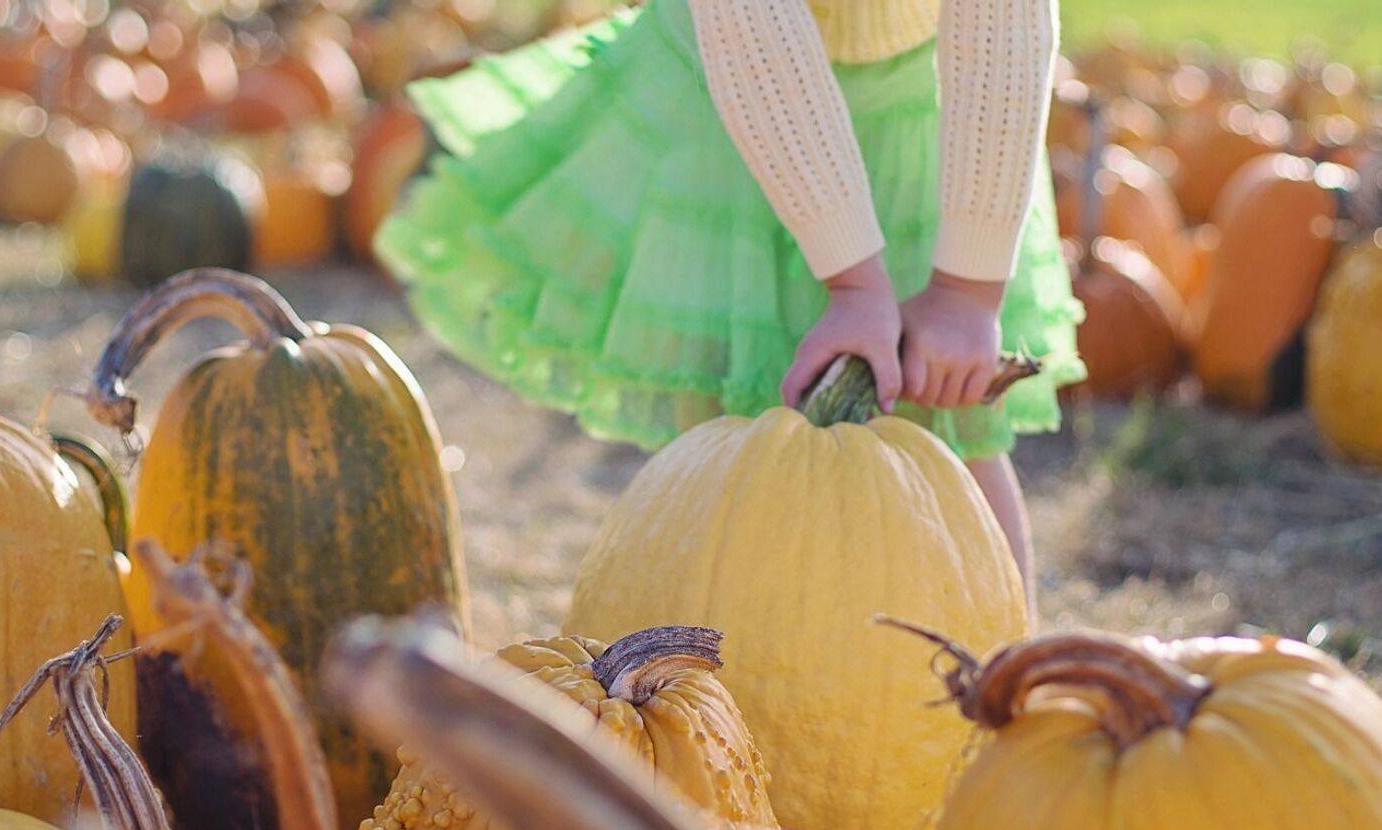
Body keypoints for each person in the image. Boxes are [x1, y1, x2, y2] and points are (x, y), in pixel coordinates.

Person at [377, 0, 1085, 613]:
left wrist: (967, 289)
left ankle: (997, 699)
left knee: (950, 416)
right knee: (736, 426)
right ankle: (718, 697)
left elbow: (1004, 19)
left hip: (923, 95)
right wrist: (854, 283)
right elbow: (753, 27)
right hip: (741, 88)